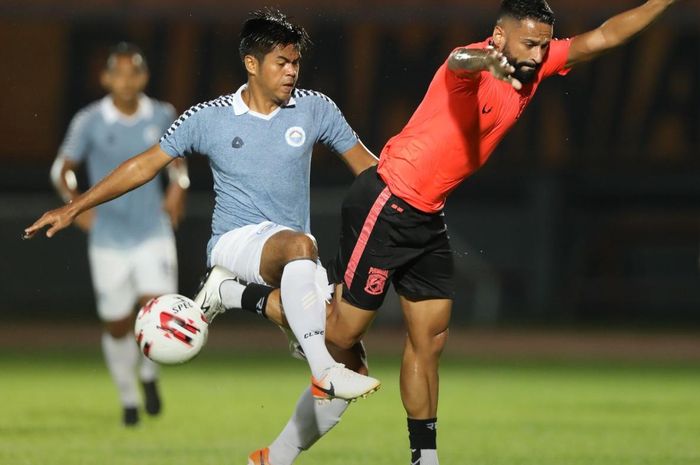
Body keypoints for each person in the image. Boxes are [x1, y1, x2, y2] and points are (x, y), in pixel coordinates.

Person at [209, 1, 681, 464]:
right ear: (499, 37)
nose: (538, 55)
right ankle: (234, 294)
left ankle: (424, 459)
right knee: (343, 334)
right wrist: (491, 61)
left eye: (543, 45)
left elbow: (604, 37)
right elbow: (461, 59)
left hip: (427, 215)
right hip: (387, 200)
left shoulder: (535, 64)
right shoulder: (471, 63)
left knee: (429, 340)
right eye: (529, 44)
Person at [24, 9, 380, 403]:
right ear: (252, 64)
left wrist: (410, 199)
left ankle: (232, 300)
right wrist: (74, 207)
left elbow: (370, 171)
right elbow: (143, 166)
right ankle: (322, 370)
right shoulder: (208, 118)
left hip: (289, 250)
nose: (292, 72)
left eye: (296, 63)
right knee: (300, 250)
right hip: (236, 239)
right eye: (282, 63)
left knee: (345, 347)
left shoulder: (315, 108)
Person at [48, 42, 189, 426]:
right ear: (106, 77)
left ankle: (149, 376)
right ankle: (128, 400)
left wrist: (179, 187)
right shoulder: (90, 120)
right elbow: (63, 169)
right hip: (109, 236)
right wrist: (76, 208)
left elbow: (178, 162)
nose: (127, 80)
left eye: (135, 72)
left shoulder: (162, 114)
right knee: (116, 323)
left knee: (155, 310)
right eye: (119, 73)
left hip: (152, 231)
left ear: (144, 76)